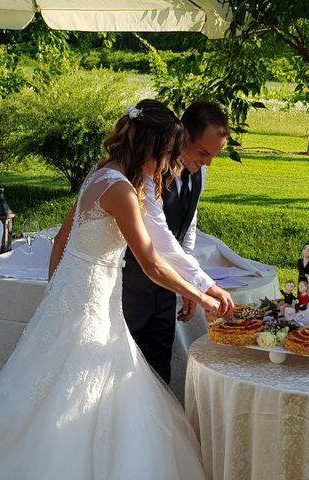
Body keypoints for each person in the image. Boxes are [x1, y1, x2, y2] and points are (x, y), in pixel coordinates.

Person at [0, 100, 220, 480]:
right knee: (82, 384)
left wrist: (57, 290)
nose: (166, 166)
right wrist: (205, 296)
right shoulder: (122, 192)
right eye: (165, 155)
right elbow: (151, 263)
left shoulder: (100, 175)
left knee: (58, 380)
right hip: (90, 301)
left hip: (77, 295)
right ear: (151, 150)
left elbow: (62, 239)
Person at [122, 101, 233, 383]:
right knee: (124, 371)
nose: (207, 162)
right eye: (203, 153)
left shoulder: (200, 172)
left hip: (166, 289)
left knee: (158, 373)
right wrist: (204, 285)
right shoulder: (148, 172)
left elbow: (187, 229)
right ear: (182, 137)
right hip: (132, 287)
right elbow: (159, 238)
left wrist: (186, 284)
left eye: (214, 156)